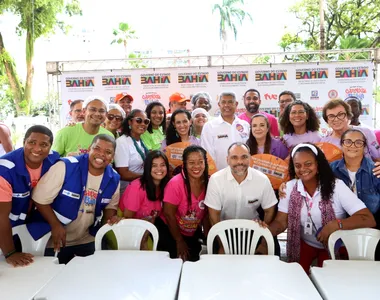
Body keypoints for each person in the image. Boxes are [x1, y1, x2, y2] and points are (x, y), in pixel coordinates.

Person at [263, 143, 375, 273]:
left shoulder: (336, 186)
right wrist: (262, 233)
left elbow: (368, 218)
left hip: (334, 246)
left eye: (308, 164)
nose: (303, 169)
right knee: (296, 277)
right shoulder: (289, 188)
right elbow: (281, 222)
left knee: (329, 280)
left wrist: (336, 225)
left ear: (318, 164)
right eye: (297, 165)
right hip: (304, 244)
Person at [31, 134, 121, 264]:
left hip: (86, 239)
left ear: (112, 157)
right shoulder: (66, 166)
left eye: (108, 152)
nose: (101, 154)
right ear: (89, 148)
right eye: (97, 148)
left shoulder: (114, 178)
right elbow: (39, 198)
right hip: (52, 239)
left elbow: (110, 207)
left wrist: (112, 219)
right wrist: (55, 225)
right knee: (54, 280)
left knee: (89, 278)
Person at [0, 125, 60, 267]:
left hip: (25, 224)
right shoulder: (5, 169)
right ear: (24, 142)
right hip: (5, 226)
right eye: (32, 142)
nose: (37, 148)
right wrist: (10, 253)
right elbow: (1, 217)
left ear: (50, 147)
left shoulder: (54, 161)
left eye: (44, 144)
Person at [205, 142, 279, 254]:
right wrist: (222, 244)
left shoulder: (262, 180)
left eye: (244, 157)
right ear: (227, 160)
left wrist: (263, 239)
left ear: (250, 158)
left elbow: (269, 210)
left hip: (253, 231)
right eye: (234, 157)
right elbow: (213, 216)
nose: (240, 162)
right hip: (223, 231)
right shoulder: (216, 180)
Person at [330, 129, 380, 260]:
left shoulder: (376, 170)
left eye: (358, 142)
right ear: (341, 144)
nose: (353, 146)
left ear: (365, 146)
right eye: (348, 142)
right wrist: (284, 185)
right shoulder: (331, 169)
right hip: (340, 226)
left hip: (371, 226)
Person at [156, 145, 210, 261]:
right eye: (191, 162)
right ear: (184, 164)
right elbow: (169, 214)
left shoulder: (209, 183)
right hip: (170, 230)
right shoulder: (175, 184)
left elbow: (206, 215)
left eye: (200, 162)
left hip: (191, 231)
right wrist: (179, 240)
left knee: (195, 262)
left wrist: (208, 239)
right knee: (176, 261)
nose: (196, 166)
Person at [201, 91, 250, 170]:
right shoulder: (209, 126)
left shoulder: (245, 125)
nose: (226, 105)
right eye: (223, 102)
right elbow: (207, 155)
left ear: (236, 104)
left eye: (230, 102)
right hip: (219, 176)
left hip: (243, 174)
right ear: (219, 104)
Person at [114, 109, 150, 195]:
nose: (142, 124)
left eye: (146, 121)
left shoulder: (141, 142)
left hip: (141, 187)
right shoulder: (122, 142)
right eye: (138, 120)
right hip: (128, 190)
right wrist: (147, 177)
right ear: (130, 122)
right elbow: (123, 174)